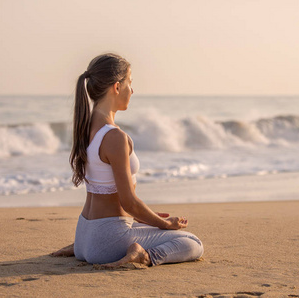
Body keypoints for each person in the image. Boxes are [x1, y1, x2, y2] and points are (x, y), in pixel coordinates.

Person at [51, 53, 203, 268]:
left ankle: (87, 245)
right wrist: (165, 223)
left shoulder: (85, 129)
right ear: (116, 87)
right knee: (191, 242)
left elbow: (114, 198)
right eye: (130, 83)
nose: (132, 90)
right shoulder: (114, 137)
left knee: (148, 227)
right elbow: (128, 202)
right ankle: (144, 256)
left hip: (85, 236)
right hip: (107, 241)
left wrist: (148, 218)